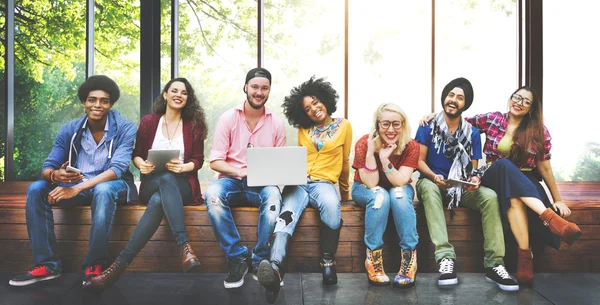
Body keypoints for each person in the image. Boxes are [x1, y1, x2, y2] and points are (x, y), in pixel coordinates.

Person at [9, 75, 138, 287]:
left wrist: (76, 188)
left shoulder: (125, 127)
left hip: (114, 186)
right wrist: (55, 176)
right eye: (92, 99)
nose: (97, 105)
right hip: (78, 186)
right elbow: (48, 166)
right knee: (36, 189)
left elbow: (117, 169)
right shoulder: (70, 128)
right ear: (84, 102)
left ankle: (94, 264)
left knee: (103, 190)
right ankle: (47, 265)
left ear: (111, 104)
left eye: (104, 100)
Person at [82, 78, 208, 291]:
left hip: (183, 185)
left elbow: (198, 160)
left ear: (188, 99)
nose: (179, 95)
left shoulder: (193, 125)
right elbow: (137, 154)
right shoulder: (150, 122)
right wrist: (142, 165)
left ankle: (116, 268)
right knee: (162, 183)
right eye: (174, 90)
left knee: (163, 193)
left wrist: (183, 167)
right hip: (151, 182)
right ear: (165, 95)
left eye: (184, 92)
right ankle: (184, 246)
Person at [464, 86, 581, 285]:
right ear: (510, 98)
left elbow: (545, 169)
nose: (519, 103)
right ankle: (551, 220)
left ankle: (525, 259)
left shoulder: (539, 131)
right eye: (517, 97)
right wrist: (434, 115)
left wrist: (558, 199)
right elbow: (459, 123)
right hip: (493, 175)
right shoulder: (493, 118)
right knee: (504, 164)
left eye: (526, 101)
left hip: (525, 182)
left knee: (515, 197)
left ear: (531, 109)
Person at [415, 77, 519, 291]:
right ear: (444, 98)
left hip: (458, 187)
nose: (453, 100)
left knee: (489, 196)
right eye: (451, 95)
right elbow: (419, 162)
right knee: (426, 186)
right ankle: (445, 259)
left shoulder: (471, 132)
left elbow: (471, 169)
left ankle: (495, 264)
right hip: (434, 183)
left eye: (460, 98)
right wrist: (435, 177)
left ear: (466, 104)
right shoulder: (428, 126)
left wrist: (473, 180)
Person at [258, 76, 352, 303]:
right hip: (298, 182)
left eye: (316, 102)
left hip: (324, 184)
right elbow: (298, 158)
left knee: (331, 206)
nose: (314, 109)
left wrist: (345, 193)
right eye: (307, 109)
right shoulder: (304, 130)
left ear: (326, 100)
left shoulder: (344, 126)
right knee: (284, 218)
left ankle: (327, 261)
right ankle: (275, 268)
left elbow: (345, 161)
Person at [204, 68, 286, 289]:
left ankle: (260, 260)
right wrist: (240, 172)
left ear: (269, 91)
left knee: (273, 196)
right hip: (231, 180)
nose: (259, 92)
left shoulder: (276, 123)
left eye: (264, 88)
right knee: (212, 194)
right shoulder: (228, 118)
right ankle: (237, 258)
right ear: (246, 87)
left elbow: (280, 165)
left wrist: (276, 178)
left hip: (261, 185)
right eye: (255, 87)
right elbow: (215, 162)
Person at [351, 103, 420, 288]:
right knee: (380, 195)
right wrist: (371, 153)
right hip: (364, 188)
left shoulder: (411, 146)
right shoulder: (363, 143)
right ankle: (373, 258)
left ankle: (409, 258)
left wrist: (384, 159)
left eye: (396, 124)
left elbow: (400, 181)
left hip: (398, 185)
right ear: (377, 125)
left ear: (403, 125)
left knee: (398, 194)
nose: (391, 129)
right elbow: (371, 183)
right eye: (385, 124)